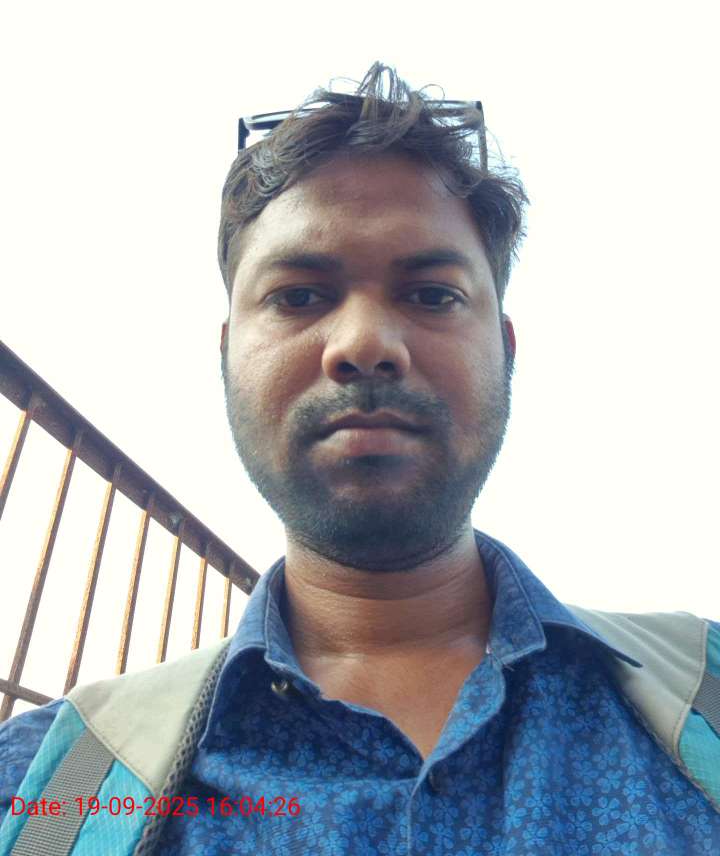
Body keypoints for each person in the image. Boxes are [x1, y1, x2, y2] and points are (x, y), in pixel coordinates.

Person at [1, 63, 719, 855]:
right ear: (228, 356)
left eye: (433, 295)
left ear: (505, 351)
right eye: (299, 296)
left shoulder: (708, 698)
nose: (366, 343)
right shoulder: (47, 795)